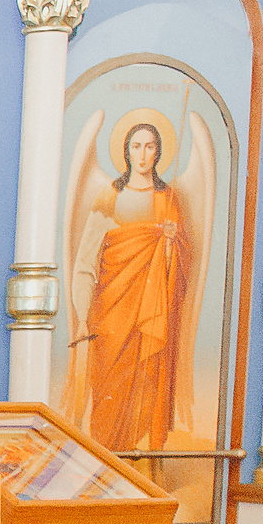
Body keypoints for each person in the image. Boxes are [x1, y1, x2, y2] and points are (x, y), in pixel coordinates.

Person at [64, 121, 195, 454]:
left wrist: (170, 242)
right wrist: (81, 315)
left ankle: (141, 463)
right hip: (109, 315)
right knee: (109, 387)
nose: (143, 154)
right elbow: (85, 262)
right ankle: (103, 459)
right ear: (125, 150)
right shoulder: (110, 195)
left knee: (146, 385)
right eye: (136, 146)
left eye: (150, 146)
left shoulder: (168, 199)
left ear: (158, 152)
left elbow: (180, 270)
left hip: (150, 316)